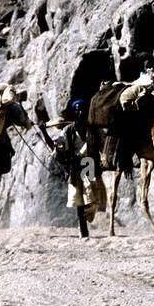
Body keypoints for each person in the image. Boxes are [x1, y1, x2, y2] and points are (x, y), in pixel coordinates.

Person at [44, 99, 104, 238]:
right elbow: (57, 147)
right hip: (75, 167)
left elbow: (104, 146)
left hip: (90, 164)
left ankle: (86, 220)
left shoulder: (94, 130)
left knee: (93, 199)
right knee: (79, 200)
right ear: (74, 112)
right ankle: (83, 230)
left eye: (83, 109)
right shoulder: (68, 131)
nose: (81, 112)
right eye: (77, 109)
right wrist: (43, 132)